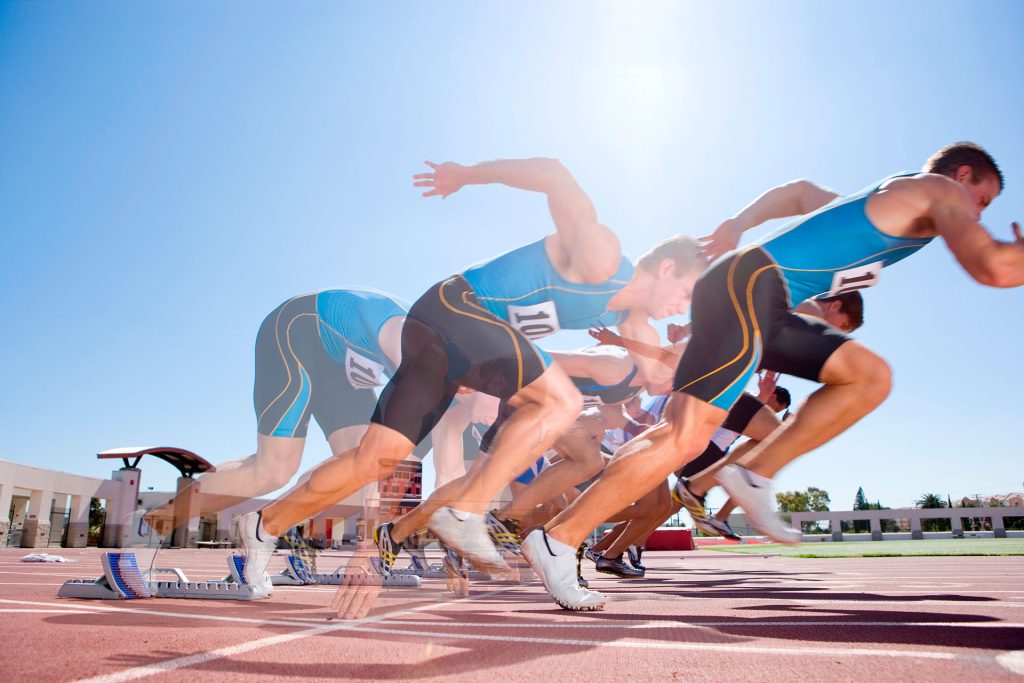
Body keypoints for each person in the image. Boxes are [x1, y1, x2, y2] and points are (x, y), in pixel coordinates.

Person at [523, 141, 1023, 610]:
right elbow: (993, 267)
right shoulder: (940, 190)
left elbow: (801, 193)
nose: (978, 214)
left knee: (863, 377)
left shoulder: (889, 197)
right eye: (982, 199)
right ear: (961, 176)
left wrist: (738, 223)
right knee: (685, 436)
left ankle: (749, 474)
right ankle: (562, 539)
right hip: (751, 289)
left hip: (755, 294)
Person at [237, 156, 706, 612]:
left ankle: (262, 526)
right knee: (559, 400)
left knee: (375, 459)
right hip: (452, 307)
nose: (679, 308)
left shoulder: (634, 322)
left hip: (460, 352)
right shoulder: (601, 256)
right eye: (685, 293)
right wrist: (466, 175)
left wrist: (704, 343)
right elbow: (554, 174)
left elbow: (664, 378)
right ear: (666, 268)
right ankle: (465, 513)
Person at [143, 288, 414, 542]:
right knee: (273, 470)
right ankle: (158, 519)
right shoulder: (412, 345)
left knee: (360, 473)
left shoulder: (447, 378)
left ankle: (285, 535)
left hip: (343, 363)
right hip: (299, 331)